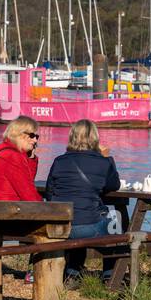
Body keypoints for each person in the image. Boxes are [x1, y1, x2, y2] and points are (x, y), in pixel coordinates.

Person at [45, 120, 120, 283]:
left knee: (79, 216)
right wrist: (108, 158)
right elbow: (114, 185)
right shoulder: (103, 162)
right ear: (95, 139)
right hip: (87, 227)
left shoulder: (59, 161)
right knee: (115, 219)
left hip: (60, 225)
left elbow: (49, 193)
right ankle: (109, 275)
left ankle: (72, 274)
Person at [0, 116, 42, 200]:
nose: (35, 140)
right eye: (32, 135)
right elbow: (29, 195)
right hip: (8, 209)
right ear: (18, 134)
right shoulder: (12, 156)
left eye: (37, 137)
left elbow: (28, 181)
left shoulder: (1, 149)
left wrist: (31, 157)